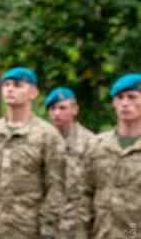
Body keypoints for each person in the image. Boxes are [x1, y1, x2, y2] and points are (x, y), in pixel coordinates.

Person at [0, 67, 65, 239]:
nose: (10, 89)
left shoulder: (47, 135)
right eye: (6, 85)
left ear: (33, 92)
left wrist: (48, 230)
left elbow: (56, 186)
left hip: (30, 230)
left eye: (18, 85)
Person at [79, 74, 141, 239]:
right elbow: (84, 196)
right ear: (114, 103)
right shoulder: (96, 146)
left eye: (132, 97)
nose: (125, 103)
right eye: (120, 98)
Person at [44, 87, 95, 238]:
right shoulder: (41, 140)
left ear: (75, 109)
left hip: (78, 225)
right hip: (45, 224)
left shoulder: (91, 143)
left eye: (62, 108)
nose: (57, 113)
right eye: (52, 108)